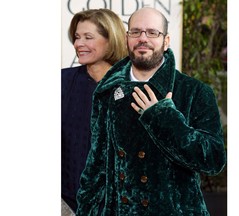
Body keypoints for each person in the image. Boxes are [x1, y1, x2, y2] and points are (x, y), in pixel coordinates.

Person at [76, 7, 226, 216]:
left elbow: (214, 160)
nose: (142, 38)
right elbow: (95, 168)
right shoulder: (108, 91)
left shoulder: (195, 92)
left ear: (166, 41)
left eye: (152, 32)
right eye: (135, 32)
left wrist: (163, 118)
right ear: (127, 38)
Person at [61, 8, 127, 213]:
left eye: (88, 37)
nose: (79, 44)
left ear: (111, 40)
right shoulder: (61, 82)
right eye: (77, 37)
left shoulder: (133, 86)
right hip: (67, 203)